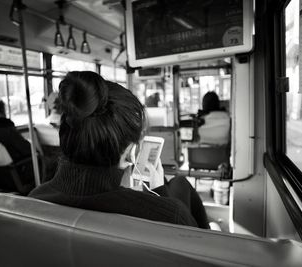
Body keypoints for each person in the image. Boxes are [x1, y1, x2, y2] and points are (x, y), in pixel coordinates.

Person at [29, 71, 209, 229]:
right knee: (180, 183)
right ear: (131, 153)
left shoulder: (32, 201)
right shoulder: (170, 216)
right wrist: (161, 192)